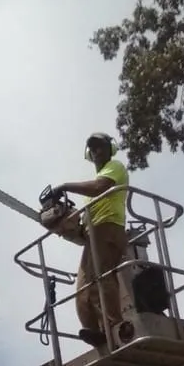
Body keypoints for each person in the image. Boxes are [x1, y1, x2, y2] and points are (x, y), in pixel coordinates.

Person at [52, 133, 130, 348]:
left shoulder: (115, 167)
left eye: (100, 147)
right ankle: (96, 331)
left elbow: (99, 187)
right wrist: (66, 223)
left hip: (108, 227)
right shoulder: (91, 191)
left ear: (110, 149)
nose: (96, 151)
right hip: (92, 233)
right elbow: (86, 212)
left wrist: (65, 186)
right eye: (92, 148)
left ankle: (115, 326)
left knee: (101, 277)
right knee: (83, 288)